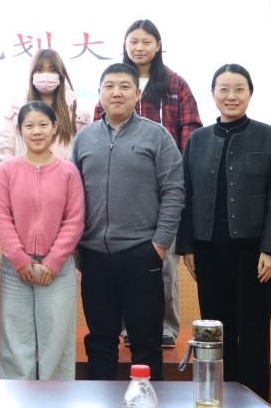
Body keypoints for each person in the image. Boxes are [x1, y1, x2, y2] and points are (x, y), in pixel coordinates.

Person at [177, 64, 271, 401]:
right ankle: (219, 397)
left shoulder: (270, 137)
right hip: (208, 251)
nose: (231, 96)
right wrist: (187, 247)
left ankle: (254, 399)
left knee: (253, 331)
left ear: (250, 93)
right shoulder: (197, 140)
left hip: (254, 253)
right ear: (213, 94)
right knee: (216, 332)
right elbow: (186, 196)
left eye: (239, 89)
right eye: (223, 89)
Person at [71, 63, 184, 381]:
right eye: (109, 86)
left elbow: (174, 191)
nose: (116, 93)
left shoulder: (157, 136)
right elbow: (72, 194)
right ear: (99, 93)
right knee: (100, 342)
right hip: (95, 255)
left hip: (142, 253)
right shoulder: (84, 138)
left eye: (124, 86)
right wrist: (78, 248)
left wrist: (159, 245)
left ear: (137, 93)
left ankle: (148, 400)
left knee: (146, 343)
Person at [95, 19, 201, 348]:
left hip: (162, 188)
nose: (139, 47)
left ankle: (166, 326)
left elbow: (190, 133)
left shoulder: (176, 85)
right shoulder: (114, 82)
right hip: (122, 189)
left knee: (163, 263)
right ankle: (130, 327)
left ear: (158, 45)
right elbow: (99, 131)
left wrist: (177, 180)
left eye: (146, 41)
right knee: (122, 265)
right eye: (133, 41)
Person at [0, 101, 84, 380]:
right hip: (15, 269)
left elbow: (74, 220)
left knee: (56, 344)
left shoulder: (68, 171)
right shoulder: (7, 170)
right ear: (20, 130)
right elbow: (1, 217)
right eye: (29, 125)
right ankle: (16, 397)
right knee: (15, 346)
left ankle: (55, 398)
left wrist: (53, 261)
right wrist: (19, 259)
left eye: (43, 124)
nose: (36, 131)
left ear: (55, 127)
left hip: (57, 270)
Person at [0, 48, 90, 163]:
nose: (46, 75)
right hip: (22, 173)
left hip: (64, 173)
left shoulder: (77, 111)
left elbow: (86, 153)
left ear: (61, 74)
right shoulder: (17, 109)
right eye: (39, 70)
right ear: (32, 74)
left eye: (52, 70)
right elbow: (4, 151)